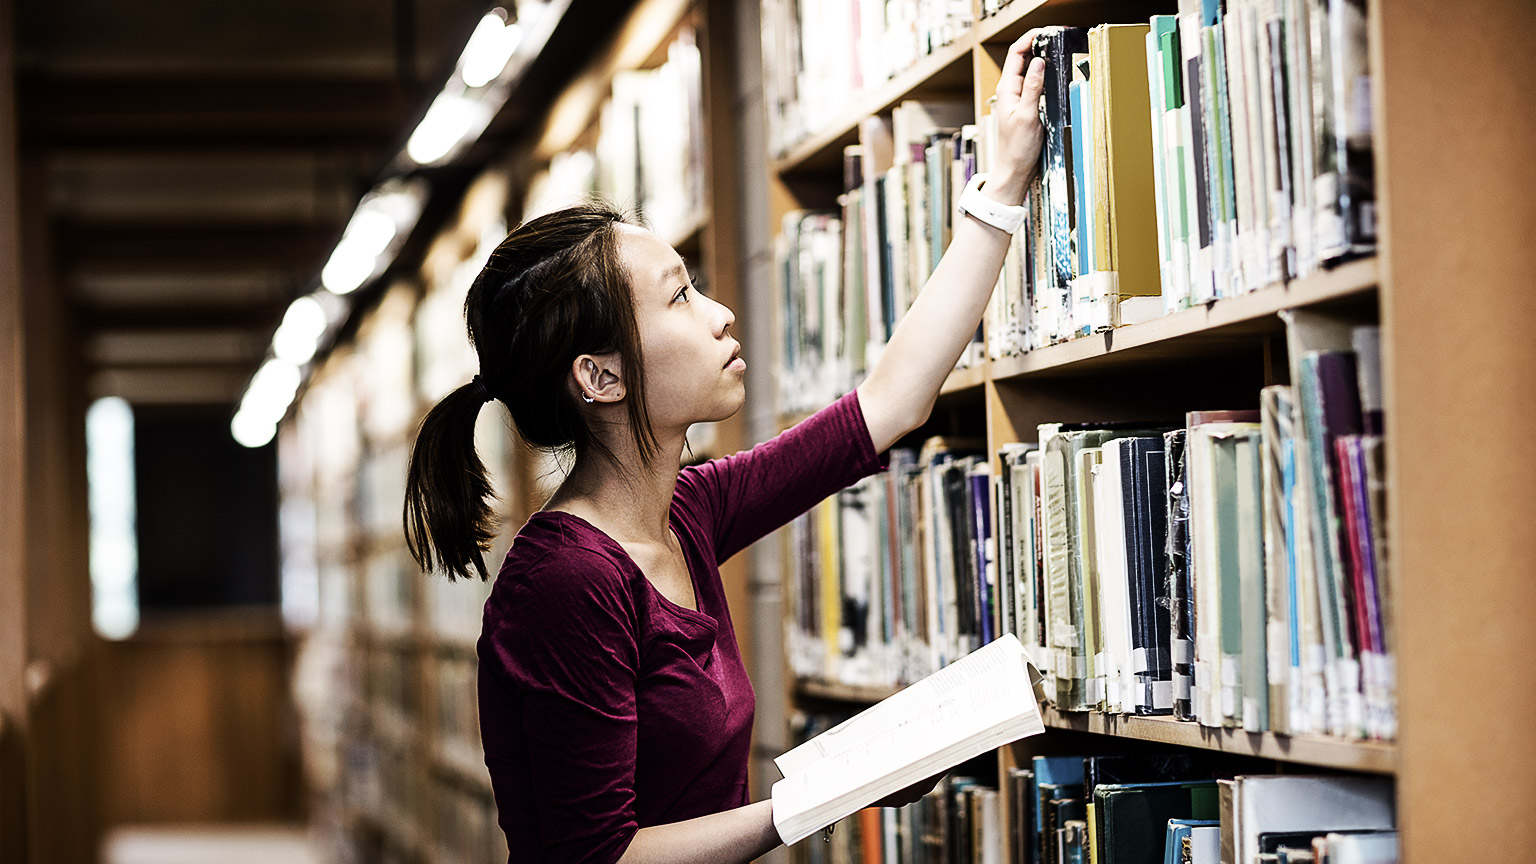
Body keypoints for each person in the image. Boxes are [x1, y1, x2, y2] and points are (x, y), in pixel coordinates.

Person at [402, 32, 1048, 864]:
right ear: (601, 377)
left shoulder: (687, 511)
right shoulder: (564, 586)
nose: (719, 315)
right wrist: (824, 797)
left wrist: (999, 189)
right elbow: (603, 857)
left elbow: (888, 405)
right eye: (680, 298)